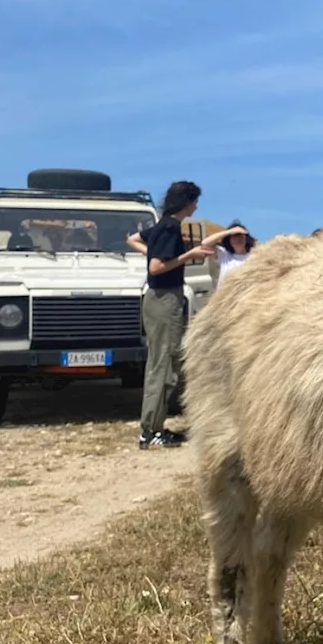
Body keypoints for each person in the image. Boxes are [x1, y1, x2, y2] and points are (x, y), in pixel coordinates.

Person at [126, 181, 215, 449]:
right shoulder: (170, 228)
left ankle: (154, 427)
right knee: (163, 365)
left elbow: (132, 239)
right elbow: (156, 268)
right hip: (164, 300)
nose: (197, 206)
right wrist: (190, 254)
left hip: (159, 300)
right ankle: (150, 431)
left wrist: (152, 252)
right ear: (186, 202)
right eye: (194, 201)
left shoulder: (162, 225)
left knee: (161, 362)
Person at [201, 219, 256, 284]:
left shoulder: (254, 257)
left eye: (241, 235)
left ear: (246, 238)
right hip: (225, 293)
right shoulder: (224, 255)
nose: (238, 239)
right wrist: (229, 231)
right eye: (234, 236)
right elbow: (205, 243)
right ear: (229, 240)